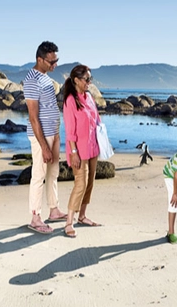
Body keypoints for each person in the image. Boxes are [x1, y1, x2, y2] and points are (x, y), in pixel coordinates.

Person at [24, 41, 67, 234]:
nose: (55, 65)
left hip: (53, 134)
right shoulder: (32, 80)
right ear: (40, 59)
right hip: (41, 137)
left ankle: (54, 210)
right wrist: (44, 146)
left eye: (56, 60)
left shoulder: (46, 78)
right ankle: (35, 217)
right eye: (51, 61)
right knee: (39, 175)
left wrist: (56, 135)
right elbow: (33, 118)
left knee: (53, 173)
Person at [62, 65, 102, 238]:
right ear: (77, 80)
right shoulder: (70, 101)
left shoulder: (89, 97)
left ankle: (82, 216)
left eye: (90, 79)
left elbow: (97, 120)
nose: (89, 82)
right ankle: (69, 222)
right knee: (80, 184)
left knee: (90, 183)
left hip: (93, 147)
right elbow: (70, 131)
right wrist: (73, 152)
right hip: (78, 149)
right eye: (86, 79)